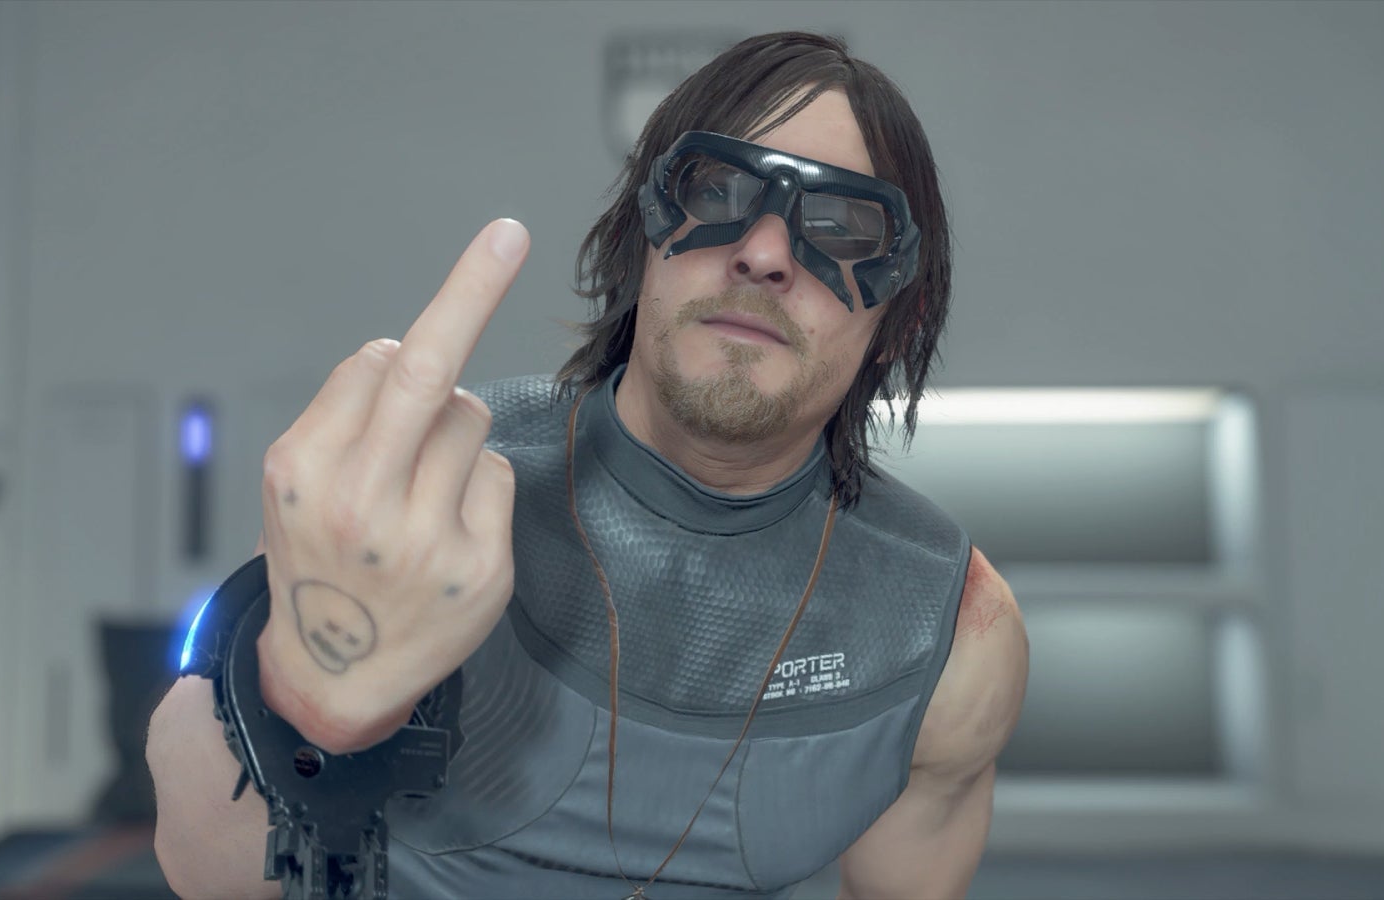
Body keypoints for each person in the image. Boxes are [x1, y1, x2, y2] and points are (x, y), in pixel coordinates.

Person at [148, 31, 1028, 900]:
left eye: (840, 227)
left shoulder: (950, 630)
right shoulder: (425, 493)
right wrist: (306, 704)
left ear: (901, 321)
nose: (765, 253)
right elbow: (206, 873)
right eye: (717, 190)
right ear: (643, 237)